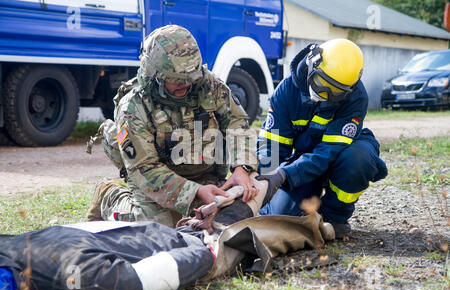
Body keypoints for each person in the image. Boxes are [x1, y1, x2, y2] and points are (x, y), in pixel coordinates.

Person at [87, 25, 258, 228]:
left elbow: (236, 122)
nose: (185, 86)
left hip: (207, 177)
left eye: (190, 79)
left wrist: (242, 167)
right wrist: (193, 192)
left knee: (236, 219)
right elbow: (145, 169)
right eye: (176, 81)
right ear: (156, 75)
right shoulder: (133, 107)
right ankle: (110, 195)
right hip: (155, 184)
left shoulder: (208, 85)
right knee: (160, 229)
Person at [256, 39, 388, 239]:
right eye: (321, 84)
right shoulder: (286, 91)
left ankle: (334, 217)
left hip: (340, 152)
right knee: (279, 217)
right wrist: (266, 182)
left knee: (358, 158)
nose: (323, 95)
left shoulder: (356, 97)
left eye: (335, 92)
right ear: (311, 65)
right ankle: (300, 206)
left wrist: (284, 174)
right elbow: (272, 147)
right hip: (304, 160)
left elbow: (328, 152)